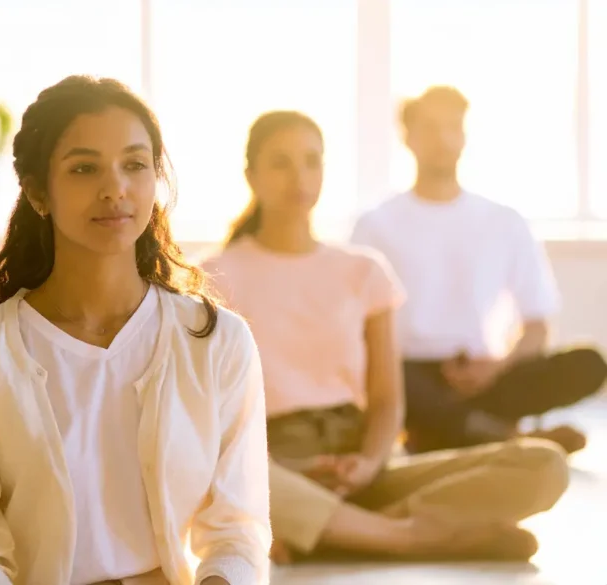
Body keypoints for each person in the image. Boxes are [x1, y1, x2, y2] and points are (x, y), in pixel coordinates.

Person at [0, 76, 271, 585]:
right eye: (84, 168)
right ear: (39, 191)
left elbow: (236, 535)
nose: (115, 189)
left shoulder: (217, 341)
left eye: (134, 165)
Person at [201, 111, 570, 564]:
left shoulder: (364, 270)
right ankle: (407, 538)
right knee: (230, 470)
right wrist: (292, 469)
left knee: (544, 465)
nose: (299, 176)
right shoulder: (212, 277)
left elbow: (387, 401)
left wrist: (370, 463)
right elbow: (212, 413)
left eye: (311, 161)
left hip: (362, 464)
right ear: (250, 176)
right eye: (280, 163)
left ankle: (339, 532)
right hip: (274, 463)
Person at [350, 86, 607, 454]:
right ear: (408, 138)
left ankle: (458, 429)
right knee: (396, 380)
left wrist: (497, 367)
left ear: (465, 136)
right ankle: (509, 440)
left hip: (487, 373)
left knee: (590, 364)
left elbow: (537, 325)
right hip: (407, 370)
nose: (444, 139)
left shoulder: (504, 221)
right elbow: (353, 327)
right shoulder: (376, 224)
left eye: (454, 127)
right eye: (431, 128)